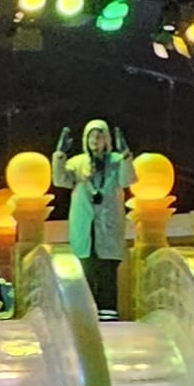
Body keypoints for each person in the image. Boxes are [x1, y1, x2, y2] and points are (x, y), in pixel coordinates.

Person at [52, 118, 132, 316]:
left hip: (108, 226)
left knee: (107, 272)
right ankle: (88, 315)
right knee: (85, 272)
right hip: (84, 227)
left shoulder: (116, 161)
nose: (95, 140)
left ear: (107, 139)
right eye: (91, 136)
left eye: (99, 136)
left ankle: (108, 315)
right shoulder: (77, 163)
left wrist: (126, 157)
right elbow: (60, 180)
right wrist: (59, 156)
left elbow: (127, 180)